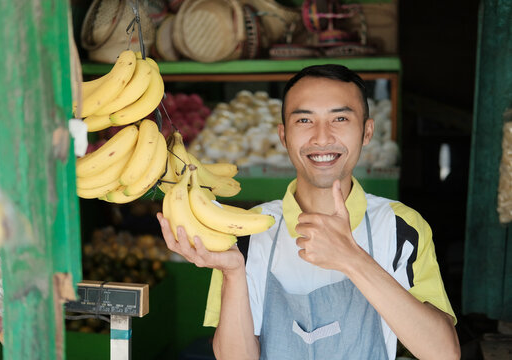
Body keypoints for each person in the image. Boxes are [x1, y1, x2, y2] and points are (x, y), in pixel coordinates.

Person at [156, 64, 460, 360]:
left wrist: (352, 259)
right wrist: (233, 273)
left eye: (340, 118)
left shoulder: (399, 226)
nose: (322, 138)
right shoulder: (247, 234)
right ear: (283, 135)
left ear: (367, 131)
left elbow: (444, 353)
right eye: (304, 121)